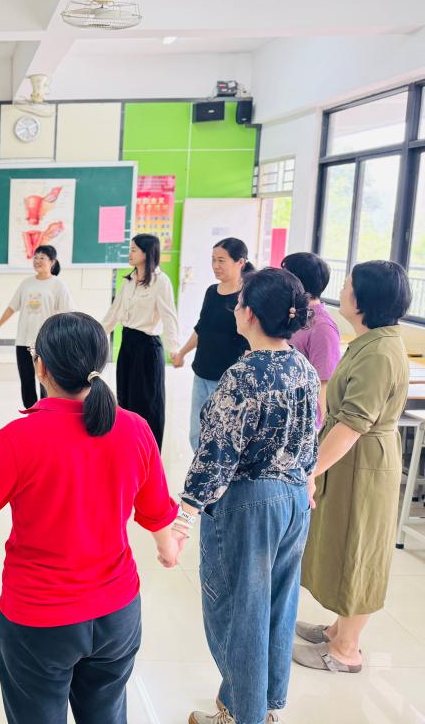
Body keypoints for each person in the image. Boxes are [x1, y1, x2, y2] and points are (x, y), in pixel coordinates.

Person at [0, 312, 181, 724]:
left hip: (40, 621)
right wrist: (168, 548)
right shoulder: (135, 428)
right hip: (118, 614)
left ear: (40, 367)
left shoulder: (20, 438)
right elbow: (157, 512)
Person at [175, 267, 319, 724]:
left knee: (239, 611)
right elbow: (311, 433)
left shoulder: (244, 375)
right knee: (278, 607)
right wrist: (306, 479)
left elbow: (216, 453)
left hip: (251, 503)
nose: (235, 308)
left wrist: (184, 515)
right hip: (294, 500)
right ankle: (262, 705)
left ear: (251, 314)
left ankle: (245, 714)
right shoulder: (302, 366)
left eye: (239, 302)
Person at [295, 261, 412, 675]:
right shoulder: (371, 341)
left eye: (347, 285)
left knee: (360, 547)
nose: (341, 291)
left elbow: (352, 424)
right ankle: (337, 630)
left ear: (364, 300)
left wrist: (310, 472)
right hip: (354, 458)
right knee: (345, 543)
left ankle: (346, 649)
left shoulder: (379, 352)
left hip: (364, 461)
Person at [172, 238, 253, 451]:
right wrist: (182, 353)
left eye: (221, 260)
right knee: (197, 434)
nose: (216, 265)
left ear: (240, 262)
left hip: (228, 378)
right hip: (202, 372)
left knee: (222, 436)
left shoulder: (247, 296)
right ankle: (201, 470)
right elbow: (202, 328)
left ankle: (218, 472)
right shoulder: (211, 291)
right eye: (213, 260)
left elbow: (250, 341)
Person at [102, 234, 180, 450]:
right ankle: (128, 448)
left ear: (147, 253)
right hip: (127, 344)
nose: (130, 253)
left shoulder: (160, 281)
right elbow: (113, 313)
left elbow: (169, 317)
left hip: (147, 348)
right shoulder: (128, 280)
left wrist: (174, 349)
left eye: (134, 249)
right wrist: (94, 336)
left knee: (147, 404)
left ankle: (149, 452)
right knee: (125, 400)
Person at [0, 245, 74, 409]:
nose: (37, 261)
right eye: (36, 257)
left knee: (46, 382)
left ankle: (46, 412)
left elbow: (69, 312)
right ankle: (31, 413)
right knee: (26, 380)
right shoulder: (26, 283)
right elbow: (12, 307)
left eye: (42, 258)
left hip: (46, 342)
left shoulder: (58, 285)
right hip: (24, 340)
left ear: (52, 262)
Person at [281, 252, 341, 428]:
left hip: (302, 424)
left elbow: (325, 385)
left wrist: (318, 433)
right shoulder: (294, 314)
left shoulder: (322, 327)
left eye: (285, 276)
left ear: (297, 282)